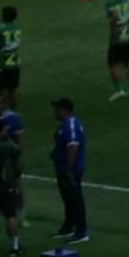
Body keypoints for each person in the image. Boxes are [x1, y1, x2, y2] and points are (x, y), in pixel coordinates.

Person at [50, 99, 87, 243]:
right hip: (64, 169)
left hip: (71, 171)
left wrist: (68, 170)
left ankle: (81, 232)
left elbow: (73, 147)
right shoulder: (66, 125)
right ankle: (68, 227)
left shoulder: (71, 125)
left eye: (57, 109)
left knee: (75, 200)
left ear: (63, 110)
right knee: (68, 199)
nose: (55, 112)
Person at [0, 105, 21, 257]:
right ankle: (14, 247)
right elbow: (18, 150)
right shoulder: (7, 146)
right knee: (10, 215)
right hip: (6, 185)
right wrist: (7, 137)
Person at [102, 0, 129, 100]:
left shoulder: (110, 4)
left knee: (113, 63)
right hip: (128, 35)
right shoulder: (127, 2)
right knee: (127, 62)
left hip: (117, 37)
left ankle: (119, 90)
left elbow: (114, 18)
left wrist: (113, 31)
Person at [0, 10, 18, 109]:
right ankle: (13, 113)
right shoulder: (17, 28)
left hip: (3, 65)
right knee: (12, 91)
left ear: (3, 16)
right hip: (15, 64)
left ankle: (0, 113)